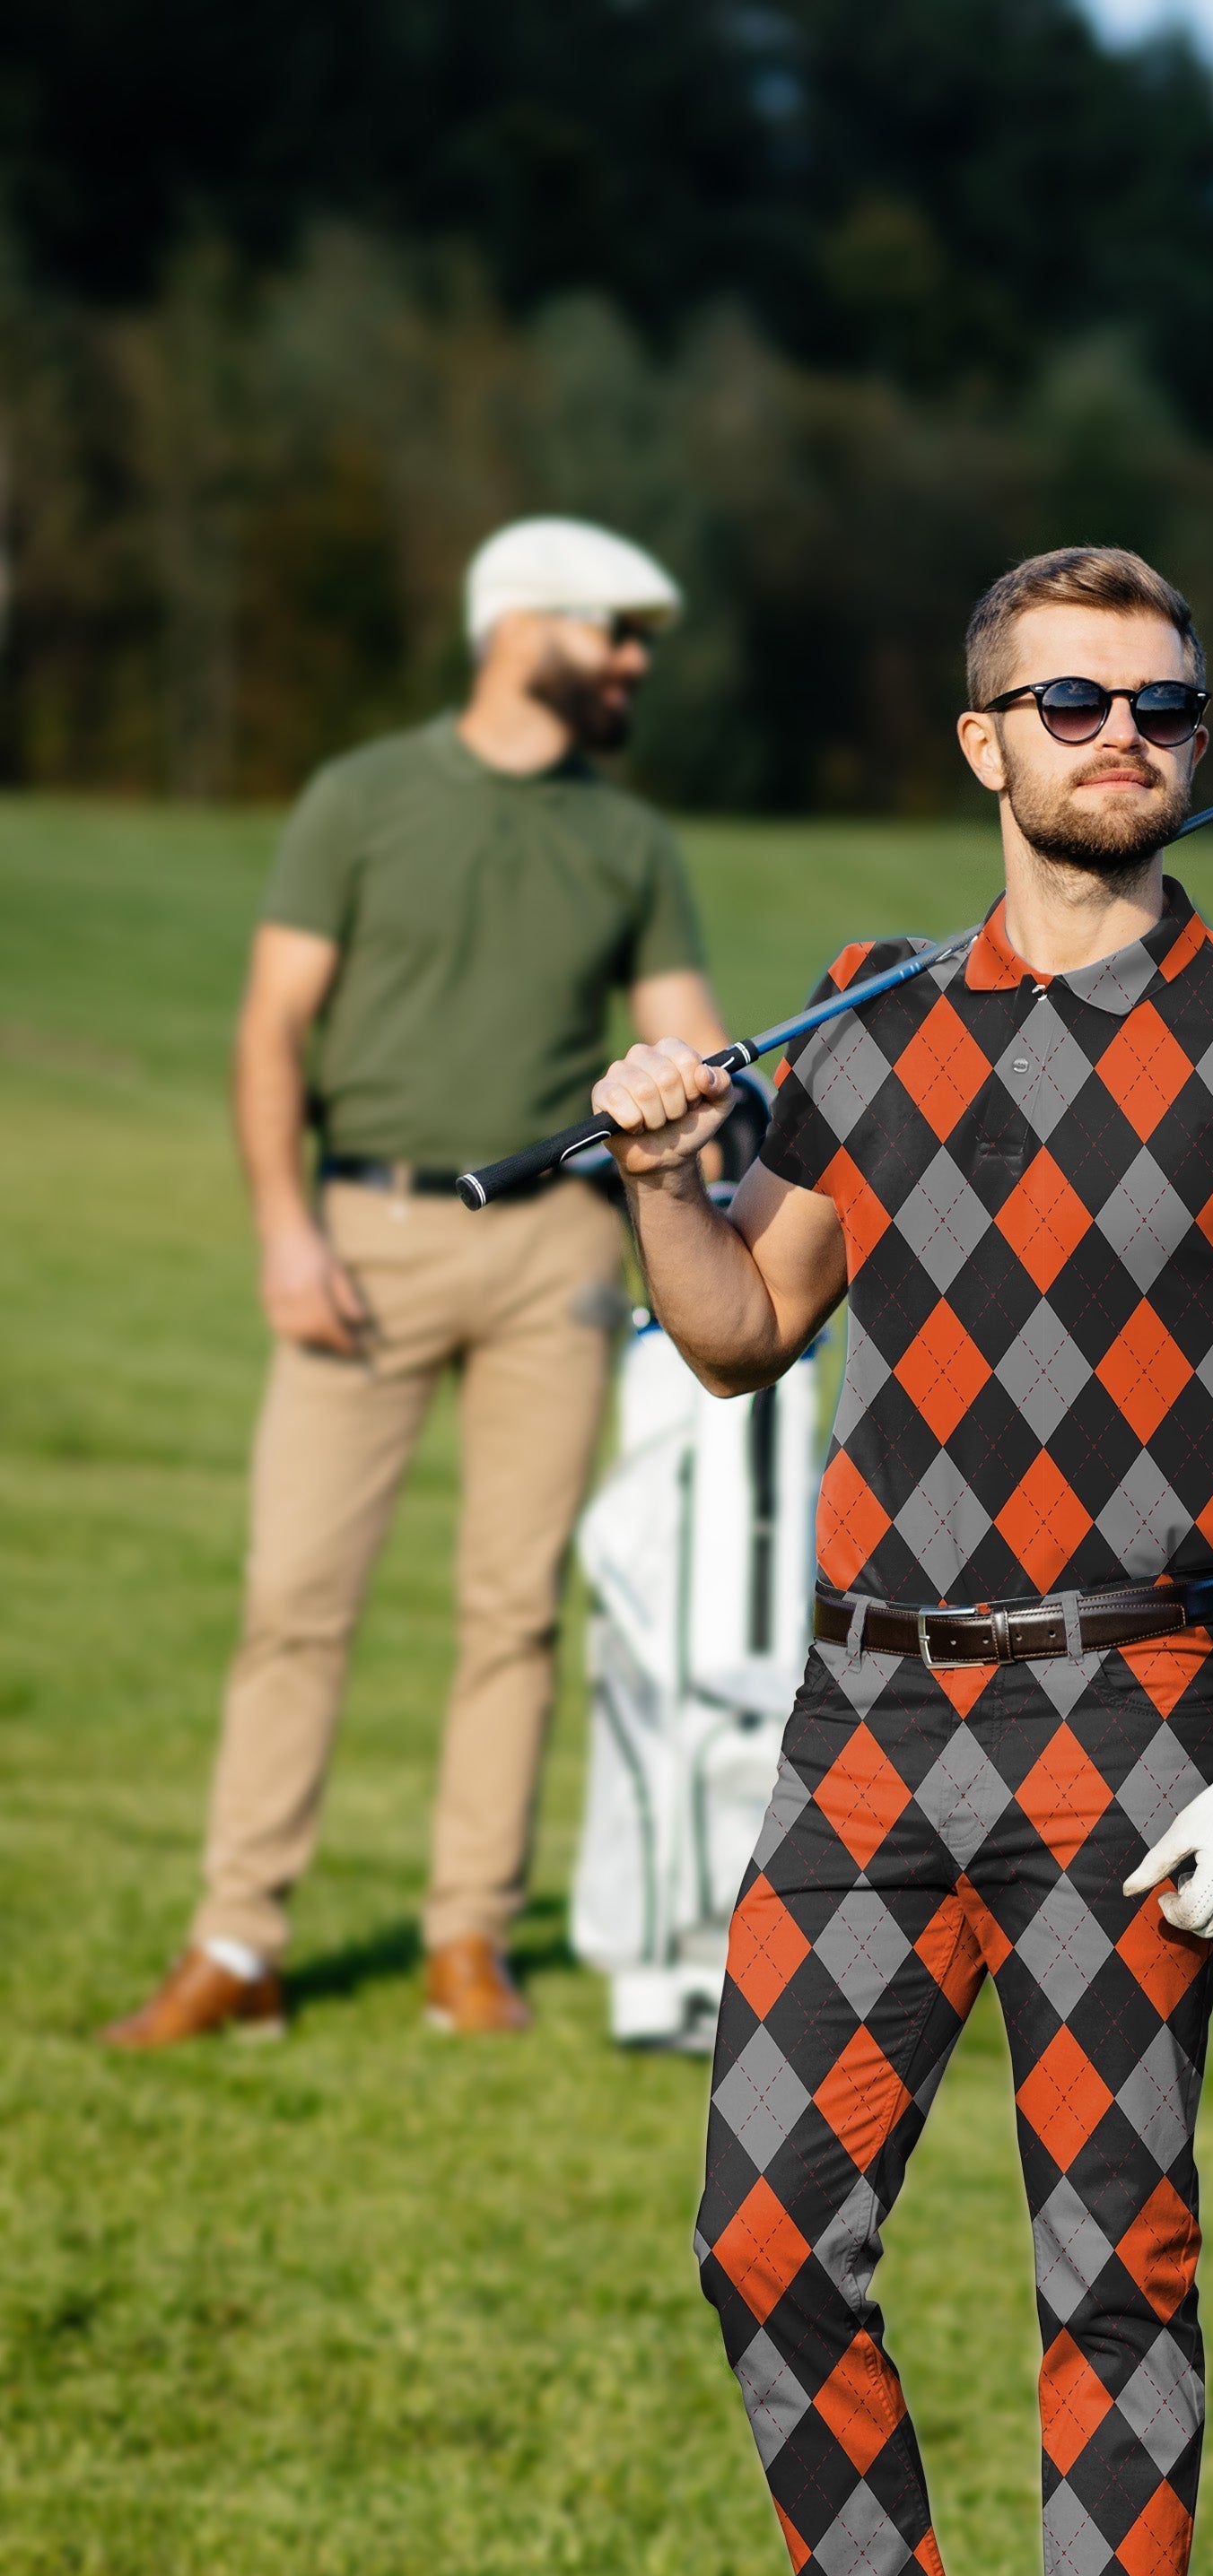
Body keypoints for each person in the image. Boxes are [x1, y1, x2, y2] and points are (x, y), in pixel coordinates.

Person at [589, 545, 1213, 2576]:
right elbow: (740, 1332)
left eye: (1162, 701)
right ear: (985, 745)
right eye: (1070, 701)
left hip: (1132, 1722)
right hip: (866, 1717)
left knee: (1112, 2274)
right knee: (763, 2233)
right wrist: (660, 1171)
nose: (1122, 734)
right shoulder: (863, 1021)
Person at [100, 517, 724, 2049]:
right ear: (518, 627)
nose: (633, 663)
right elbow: (272, 1027)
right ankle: (238, 1941)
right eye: (612, 632)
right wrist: (283, 1230)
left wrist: (727, 1119)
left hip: (558, 1253)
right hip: (362, 1234)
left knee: (514, 1608)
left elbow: (697, 1042)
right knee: (295, 1597)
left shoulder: (630, 841)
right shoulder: (360, 799)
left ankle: (468, 1942)